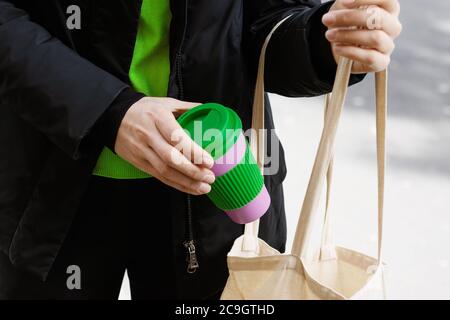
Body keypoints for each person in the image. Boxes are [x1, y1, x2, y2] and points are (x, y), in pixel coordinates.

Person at [0, 0, 401, 300]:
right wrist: (109, 112)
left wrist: (323, 41)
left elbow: (269, 20)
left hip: (219, 185)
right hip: (50, 187)